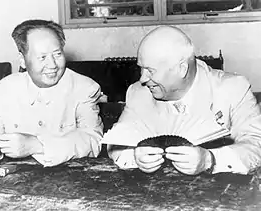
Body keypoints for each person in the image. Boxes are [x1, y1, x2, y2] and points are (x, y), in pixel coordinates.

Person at [103, 25, 261, 175]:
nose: (143, 78)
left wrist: (210, 160)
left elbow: (256, 145)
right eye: (141, 68)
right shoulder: (138, 92)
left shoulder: (232, 89)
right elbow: (116, 143)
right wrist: (135, 156)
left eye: (150, 71)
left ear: (182, 69)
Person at [0, 19, 103, 166]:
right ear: (22, 60)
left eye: (58, 54)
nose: (52, 65)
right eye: (42, 57)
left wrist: (36, 145)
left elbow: (93, 141)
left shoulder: (84, 88)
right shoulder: (8, 88)